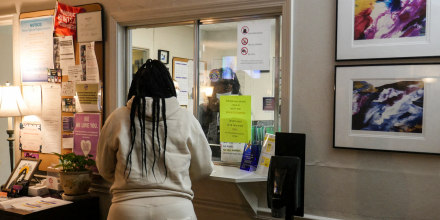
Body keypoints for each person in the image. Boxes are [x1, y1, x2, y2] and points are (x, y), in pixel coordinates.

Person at [97, 59, 213, 220]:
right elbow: (204, 167)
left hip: (125, 210)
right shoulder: (186, 119)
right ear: (169, 87)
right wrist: (176, 176)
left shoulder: (117, 118)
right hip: (177, 210)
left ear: (135, 87)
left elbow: (104, 167)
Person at [198, 67, 241, 144]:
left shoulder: (241, 108)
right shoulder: (203, 109)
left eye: (230, 84)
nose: (227, 87)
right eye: (222, 85)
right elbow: (199, 139)